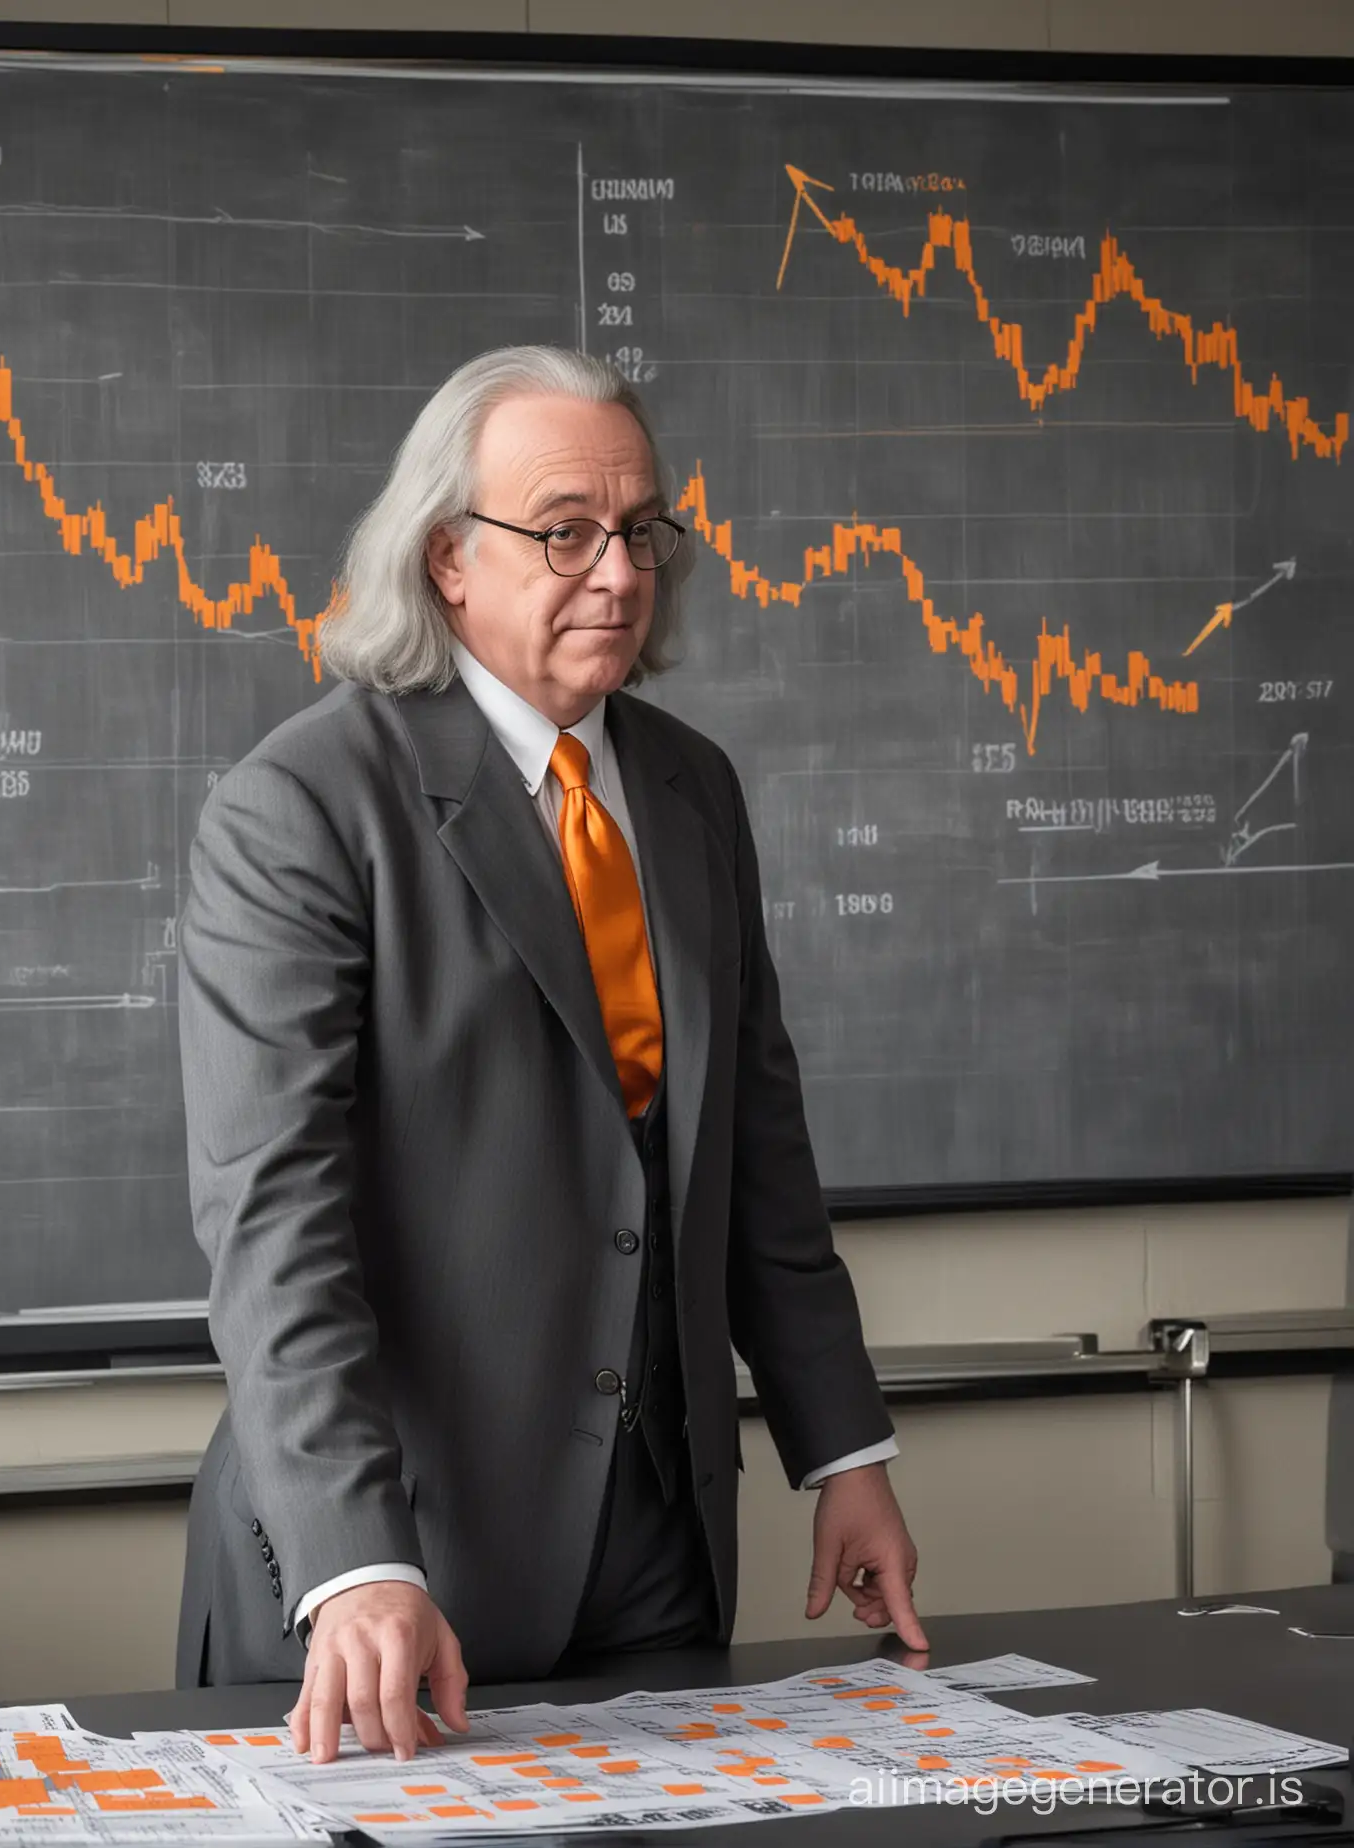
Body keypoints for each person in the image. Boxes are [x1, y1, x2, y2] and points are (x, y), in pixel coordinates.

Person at [175, 345, 925, 1764]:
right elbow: (275, 1222)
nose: (621, 572)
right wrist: (357, 1559)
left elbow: (756, 1153)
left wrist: (845, 1456)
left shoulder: (693, 789)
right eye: (565, 529)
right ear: (449, 560)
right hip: (391, 1571)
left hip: (658, 1553)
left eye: (641, 531)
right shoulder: (301, 810)